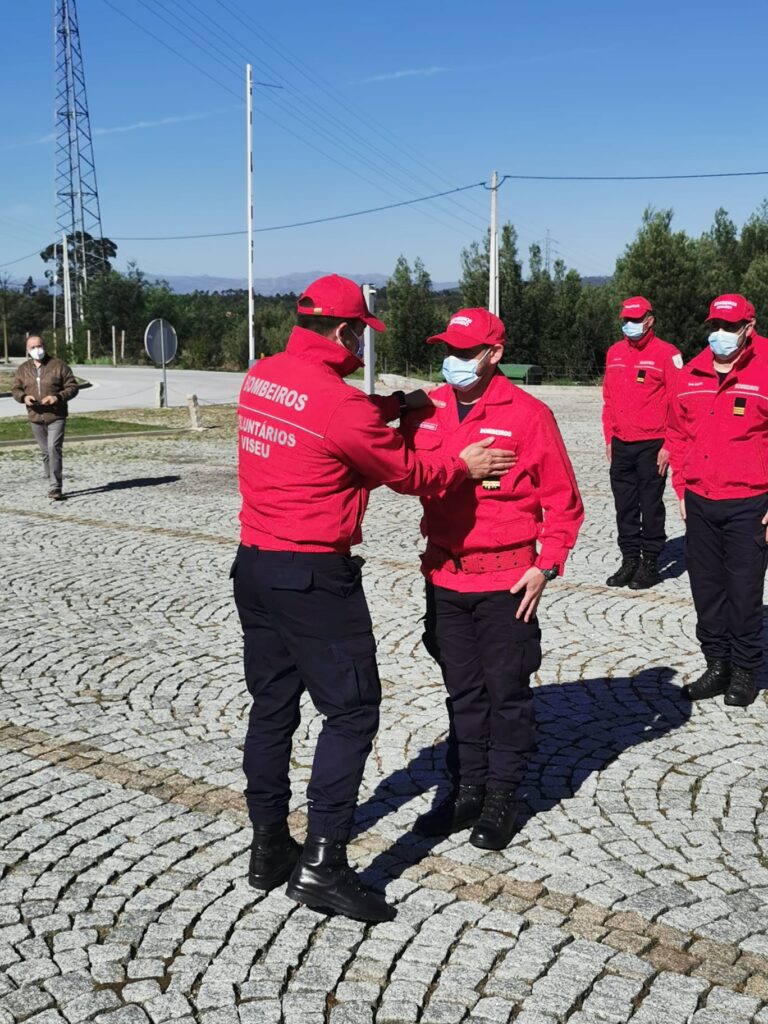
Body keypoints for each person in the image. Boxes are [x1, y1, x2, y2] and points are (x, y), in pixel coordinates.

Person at [231, 275, 516, 922]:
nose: (362, 342)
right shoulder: (340, 406)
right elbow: (409, 474)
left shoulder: (262, 376)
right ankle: (323, 867)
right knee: (352, 712)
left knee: (272, 706)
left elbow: (330, 423)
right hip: (312, 577)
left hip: (253, 566)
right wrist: (464, 467)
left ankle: (268, 847)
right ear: (342, 330)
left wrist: (389, 405)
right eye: (360, 331)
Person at [397, 308, 584, 850]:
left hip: (505, 583)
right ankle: (467, 789)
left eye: (465, 352)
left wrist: (545, 565)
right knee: (463, 693)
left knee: (506, 694)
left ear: (494, 354)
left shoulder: (528, 415)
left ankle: (503, 795)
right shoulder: (426, 409)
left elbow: (564, 502)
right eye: (448, 351)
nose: (453, 361)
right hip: (445, 578)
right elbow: (402, 473)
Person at [667, 293, 768, 708]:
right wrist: (682, 489)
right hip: (701, 501)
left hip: (750, 504)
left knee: (744, 593)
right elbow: (675, 433)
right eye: (715, 326)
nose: (721, 335)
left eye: (730, 327)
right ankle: (717, 664)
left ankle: (745, 671)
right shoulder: (691, 372)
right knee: (706, 590)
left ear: (749, 326)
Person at [601, 297, 682, 589]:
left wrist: (670, 444)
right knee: (624, 507)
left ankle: (650, 562)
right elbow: (608, 399)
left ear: (650, 320)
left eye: (636, 320)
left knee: (650, 505)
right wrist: (609, 436)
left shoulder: (667, 354)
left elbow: (677, 403)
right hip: (621, 444)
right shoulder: (614, 353)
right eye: (626, 320)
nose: (629, 325)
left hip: (652, 444)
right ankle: (629, 559)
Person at [12, 335, 79, 500]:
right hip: (35, 416)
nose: (37, 350)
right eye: (33, 347)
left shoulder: (58, 365)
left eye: (39, 346)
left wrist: (57, 397)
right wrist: (24, 397)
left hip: (56, 415)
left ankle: (56, 487)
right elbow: (15, 389)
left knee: (53, 449)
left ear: (44, 346)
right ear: (28, 351)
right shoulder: (23, 369)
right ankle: (51, 481)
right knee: (45, 453)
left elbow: (73, 386)